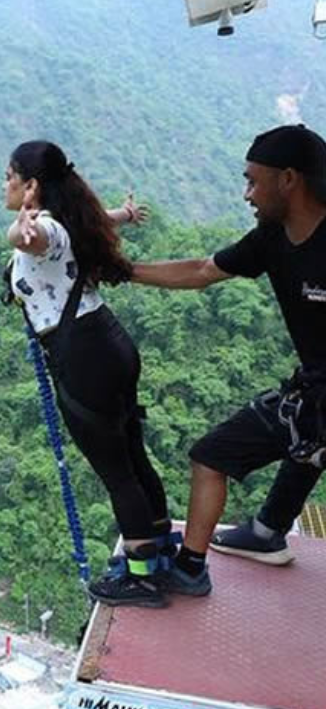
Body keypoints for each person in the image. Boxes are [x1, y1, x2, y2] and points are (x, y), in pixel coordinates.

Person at [131, 124, 326, 595]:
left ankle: (213, 558)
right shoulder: (269, 239)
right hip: (317, 390)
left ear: (288, 180)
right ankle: (258, 537)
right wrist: (123, 270)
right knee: (287, 432)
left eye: (253, 181)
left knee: (286, 439)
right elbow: (201, 271)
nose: (246, 194)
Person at [3, 140, 173, 608]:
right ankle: (159, 549)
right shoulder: (76, 216)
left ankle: (141, 577)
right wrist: (122, 213)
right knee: (132, 453)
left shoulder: (47, 227)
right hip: (109, 342)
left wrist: (19, 235)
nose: (4, 185)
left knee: (115, 471)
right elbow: (95, 221)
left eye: (9, 177)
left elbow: (38, 239)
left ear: (31, 185)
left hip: (82, 356)